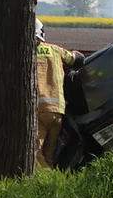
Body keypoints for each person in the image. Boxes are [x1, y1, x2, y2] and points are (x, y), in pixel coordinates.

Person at [35, 19, 84, 169]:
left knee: (34, 155)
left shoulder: (22, 53)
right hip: (57, 112)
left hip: (38, 111)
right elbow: (78, 59)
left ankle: (48, 182)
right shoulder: (56, 50)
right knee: (49, 156)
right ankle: (48, 186)